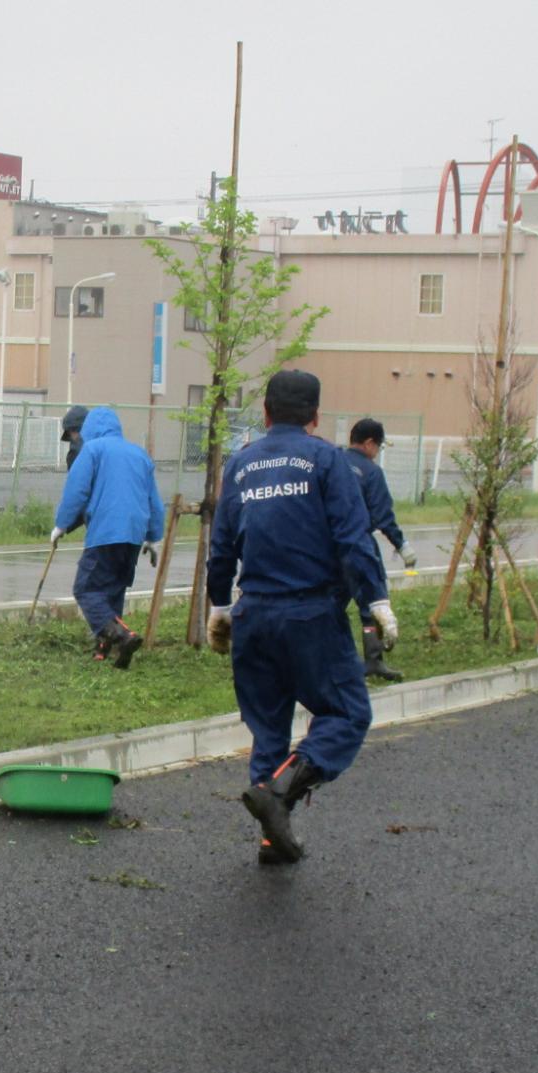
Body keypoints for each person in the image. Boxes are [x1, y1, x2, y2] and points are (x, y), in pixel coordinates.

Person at [206, 370, 394, 864]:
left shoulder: (240, 465)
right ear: (315, 418)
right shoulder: (327, 460)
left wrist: (219, 606)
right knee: (347, 714)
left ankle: (273, 838)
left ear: (265, 414)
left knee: (269, 728)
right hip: (311, 614)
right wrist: (376, 601)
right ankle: (281, 793)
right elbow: (353, 540)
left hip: (253, 616)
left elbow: (221, 547)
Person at [51, 404, 165, 669]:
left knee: (86, 589)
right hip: (134, 535)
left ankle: (121, 635)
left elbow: (76, 491)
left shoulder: (92, 450)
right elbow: (155, 503)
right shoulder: (139, 454)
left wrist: (61, 525)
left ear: (89, 429)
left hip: (106, 531)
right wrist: (153, 537)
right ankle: (109, 647)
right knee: (112, 589)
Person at [342, 418, 417, 682]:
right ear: (370, 443)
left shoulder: (331, 462)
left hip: (325, 547)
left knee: (329, 606)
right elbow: (383, 516)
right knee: (371, 602)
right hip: (359, 545)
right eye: (379, 447)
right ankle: (373, 661)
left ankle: (329, 663)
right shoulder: (371, 473)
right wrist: (402, 546)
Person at [60, 405, 89, 471]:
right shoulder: (109, 443)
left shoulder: (77, 450)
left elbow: (76, 479)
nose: (71, 437)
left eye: (70, 433)